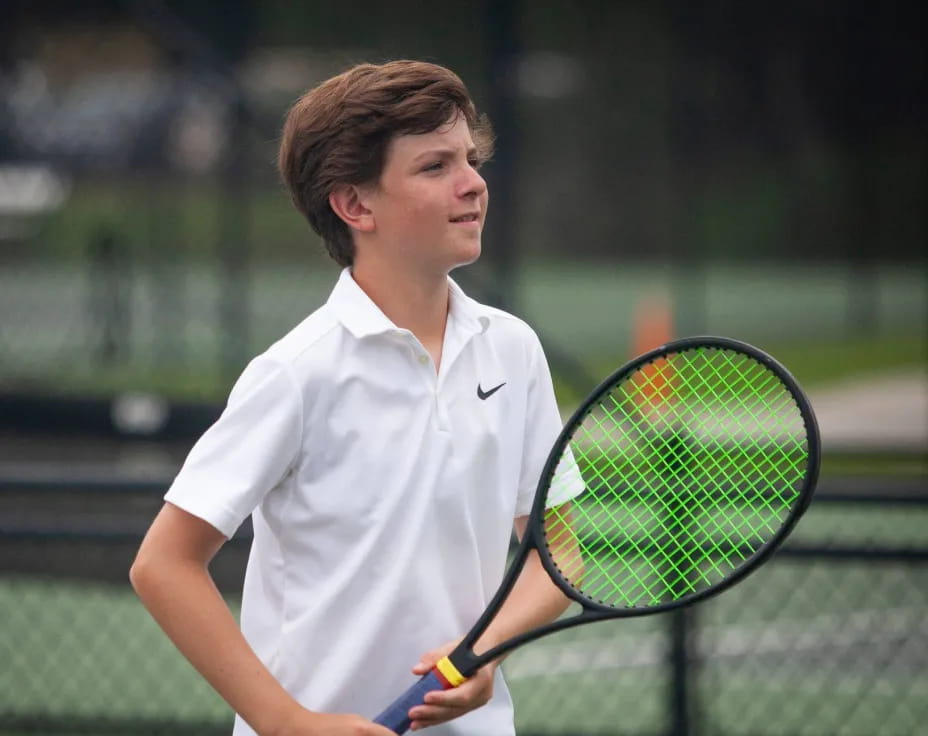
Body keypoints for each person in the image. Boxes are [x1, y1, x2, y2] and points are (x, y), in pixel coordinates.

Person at [130, 60, 572, 736]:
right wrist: (288, 722)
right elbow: (164, 564)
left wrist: (484, 653)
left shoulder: (513, 350)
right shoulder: (295, 374)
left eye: (471, 159)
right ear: (355, 205)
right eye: (434, 167)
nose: (473, 183)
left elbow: (557, 556)